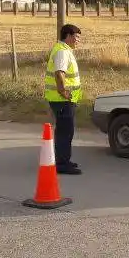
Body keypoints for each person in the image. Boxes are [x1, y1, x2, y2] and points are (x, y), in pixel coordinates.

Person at [44, 24, 82, 175]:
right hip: (62, 99)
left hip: (64, 99)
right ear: (68, 36)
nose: (78, 40)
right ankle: (62, 164)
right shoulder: (62, 52)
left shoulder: (64, 50)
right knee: (65, 131)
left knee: (66, 130)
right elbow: (59, 73)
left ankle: (64, 160)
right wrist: (63, 91)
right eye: (76, 37)